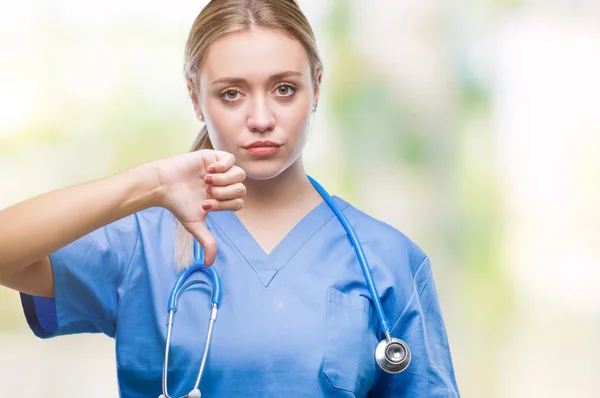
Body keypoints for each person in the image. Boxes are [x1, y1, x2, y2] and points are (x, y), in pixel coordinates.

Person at [0, 0, 460, 396]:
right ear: (196, 99)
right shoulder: (141, 242)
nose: (261, 118)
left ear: (316, 87)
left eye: (284, 88)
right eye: (231, 93)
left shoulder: (389, 261)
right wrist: (148, 182)